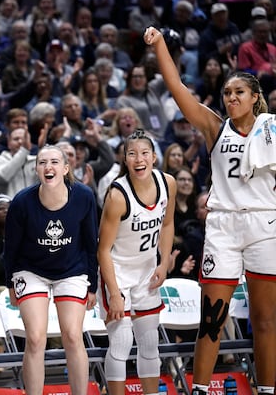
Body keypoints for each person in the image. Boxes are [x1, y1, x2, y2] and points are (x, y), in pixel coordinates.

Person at [145, 26, 276, 395]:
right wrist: (159, 47)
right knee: (211, 319)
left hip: (265, 222)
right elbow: (177, 90)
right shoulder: (214, 127)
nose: (231, 97)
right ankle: (200, 389)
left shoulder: (273, 130)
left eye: (238, 92)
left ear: (255, 97)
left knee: (266, 321)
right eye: (227, 92)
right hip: (223, 226)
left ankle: (267, 388)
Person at [4, 144, 99, 395]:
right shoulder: (22, 201)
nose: (49, 167)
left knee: (72, 335)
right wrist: (10, 283)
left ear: (66, 168)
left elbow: (91, 243)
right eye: (43, 162)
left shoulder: (84, 196)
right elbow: (11, 247)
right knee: (35, 338)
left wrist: (93, 285)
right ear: (36, 170)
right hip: (30, 270)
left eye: (55, 162)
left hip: (72, 269)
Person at [97, 129, 176, 395]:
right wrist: (115, 294)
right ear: (125, 159)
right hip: (117, 273)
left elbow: (167, 224)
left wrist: (163, 263)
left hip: (146, 273)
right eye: (132, 154)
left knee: (150, 342)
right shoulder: (118, 196)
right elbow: (103, 250)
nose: (138, 159)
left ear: (154, 157)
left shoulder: (168, 183)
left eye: (144, 153)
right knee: (121, 341)